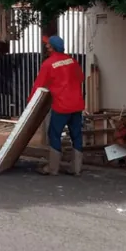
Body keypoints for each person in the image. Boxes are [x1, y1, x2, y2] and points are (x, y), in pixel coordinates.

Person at [28, 35, 85, 176]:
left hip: (61, 106)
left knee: (54, 134)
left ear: (52, 48)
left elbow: (38, 86)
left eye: (48, 45)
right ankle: (76, 169)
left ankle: (53, 168)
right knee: (76, 135)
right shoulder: (72, 61)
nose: (46, 47)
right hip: (77, 104)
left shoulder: (48, 64)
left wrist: (29, 104)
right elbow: (81, 78)